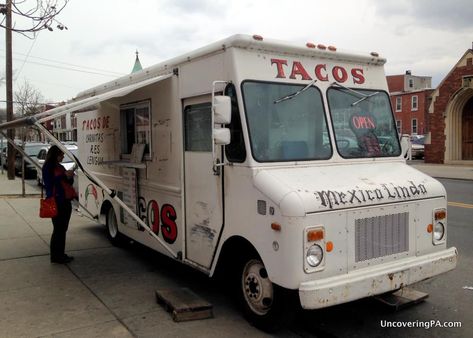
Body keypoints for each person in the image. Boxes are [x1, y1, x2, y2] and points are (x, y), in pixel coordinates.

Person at [42, 145, 77, 264]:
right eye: (61, 155)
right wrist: (64, 175)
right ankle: (56, 256)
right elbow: (49, 183)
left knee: (62, 229)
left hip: (65, 201)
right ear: (56, 155)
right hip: (57, 201)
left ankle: (60, 253)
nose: (63, 157)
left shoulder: (60, 167)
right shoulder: (48, 167)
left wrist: (69, 176)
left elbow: (68, 182)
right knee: (58, 229)